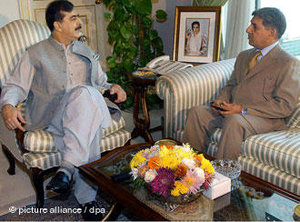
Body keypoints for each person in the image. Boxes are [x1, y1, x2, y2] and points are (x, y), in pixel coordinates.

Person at [0, 0, 126, 220]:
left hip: (84, 111)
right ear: (57, 25)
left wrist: (113, 88)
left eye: (77, 17)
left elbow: (102, 84)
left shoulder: (86, 51)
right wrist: (8, 105)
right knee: (87, 108)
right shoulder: (35, 53)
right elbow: (15, 86)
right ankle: (86, 197)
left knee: (86, 100)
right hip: (53, 116)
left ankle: (67, 171)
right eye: (73, 18)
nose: (79, 22)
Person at [182, 7, 300, 160]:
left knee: (234, 121)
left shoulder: (289, 63)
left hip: (265, 120)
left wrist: (242, 110)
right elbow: (231, 85)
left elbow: (283, 106)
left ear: (272, 32)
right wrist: (221, 101)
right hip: (234, 112)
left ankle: (223, 176)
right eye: (250, 24)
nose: (248, 29)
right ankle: (188, 168)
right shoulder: (244, 56)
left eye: (254, 26)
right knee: (197, 112)